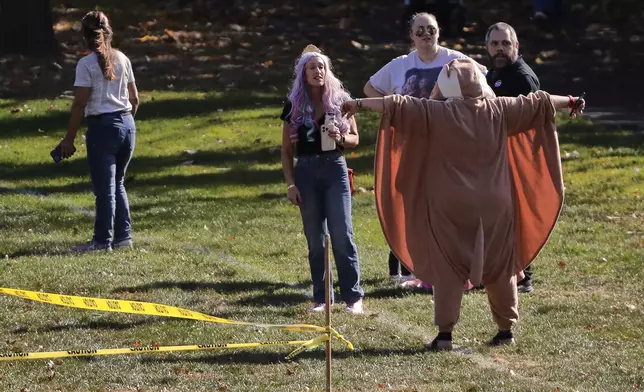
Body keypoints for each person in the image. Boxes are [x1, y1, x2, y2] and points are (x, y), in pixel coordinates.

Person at [343, 58, 585, 349]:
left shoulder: (437, 112)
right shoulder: (499, 109)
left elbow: (395, 104)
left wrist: (356, 104)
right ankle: (506, 330)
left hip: (450, 204)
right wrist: (571, 100)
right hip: (496, 203)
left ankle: (445, 334)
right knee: (500, 265)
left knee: (448, 266)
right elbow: (540, 102)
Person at [364, 12, 485, 286]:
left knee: (447, 204)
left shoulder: (456, 59)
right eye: (419, 31)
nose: (425, 35)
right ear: (411, 36)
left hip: (449, 146)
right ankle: (409, 266)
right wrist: (395, 111)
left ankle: (454, 265)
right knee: (412, 203)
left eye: (430, 29)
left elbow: (482, 85)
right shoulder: (401, 64)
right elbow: (370, 88)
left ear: (439, 31)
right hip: (411, 144)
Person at [280, 45, 365, 314]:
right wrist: (291, 184)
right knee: (315, 239)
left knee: (342, 234)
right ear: (303, 74)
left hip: (335, 169)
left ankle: (353, 296)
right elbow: (285, 150)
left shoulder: (341, 101)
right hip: (305, 171)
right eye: (312, 67)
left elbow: (355, 139)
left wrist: (342, 138)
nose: (318, 71)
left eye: (322, 67)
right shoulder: (293, 106)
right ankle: (322, 298)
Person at [58, 11, 139, 252]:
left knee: (104, 189)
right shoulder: (123, 59)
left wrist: (69, 138)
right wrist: (123, 124)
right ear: (108, 32)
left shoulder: (86, 65)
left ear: (84, 36)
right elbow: (134, 99)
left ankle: (102, 241)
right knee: (118, 183)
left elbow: (80, 104)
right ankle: (123, 238)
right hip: (127, 124)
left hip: (102, 127)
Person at [485, 22, 540, 293]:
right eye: (495, 43)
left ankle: (524, 276)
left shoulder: (522, 78)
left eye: (505, 44)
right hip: (494, 157)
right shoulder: (494, 72)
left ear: (516, 46)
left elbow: (523, 123)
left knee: (515, 216)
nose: (500, 49)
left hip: (514, 159)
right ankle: (500, 271)